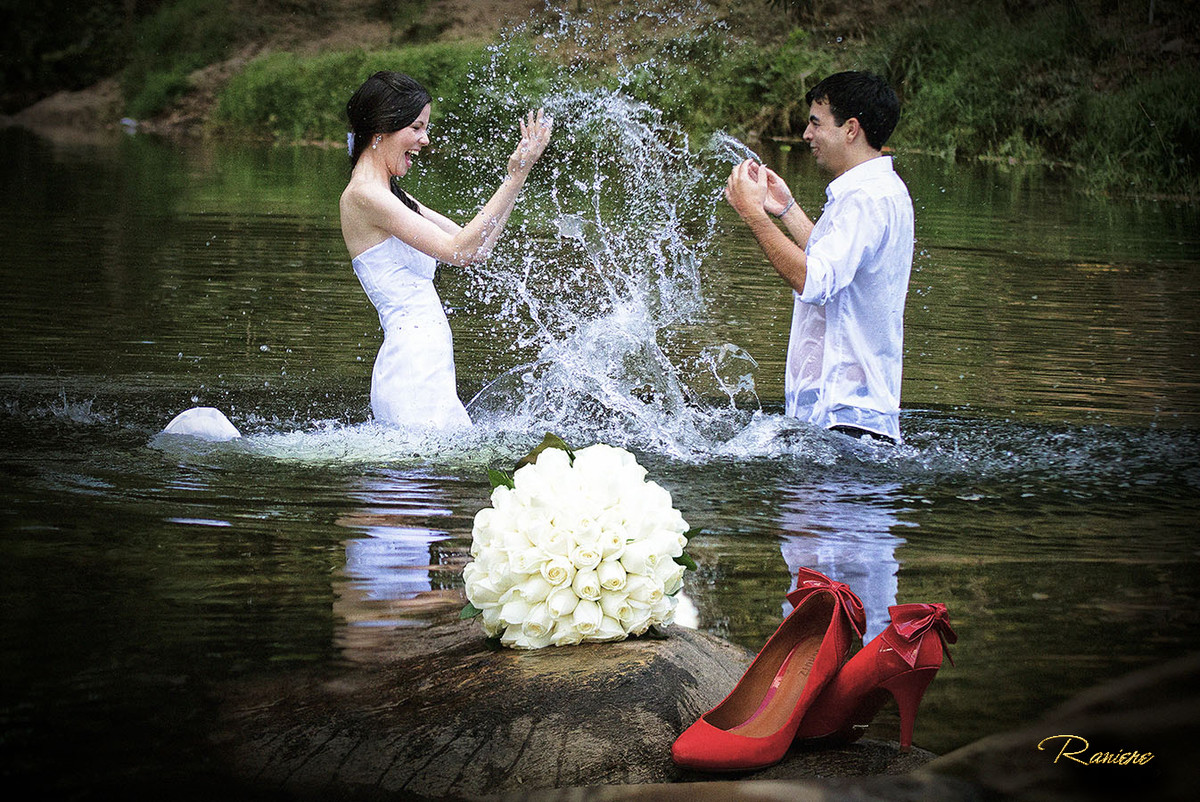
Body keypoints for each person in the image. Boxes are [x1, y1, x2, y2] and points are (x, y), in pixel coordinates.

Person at [340, 71, 552, 429]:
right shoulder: (364, 196)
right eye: (417, 127)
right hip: (411, 371)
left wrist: (518, 174)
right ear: (381, 130)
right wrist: (513, 178)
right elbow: (456, 250)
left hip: (427, 365)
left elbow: (477, 249)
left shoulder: (392, 197)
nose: (424, 140)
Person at [725, 71, 914, 444]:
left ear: (851, 129)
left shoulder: (864, 198)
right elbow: (839, 271)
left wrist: (753, 215)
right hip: (852, 419)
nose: (806, 135)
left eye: (815, 123)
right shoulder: (879, 190)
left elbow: (813, 281)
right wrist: (787, 210)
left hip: (845, 423)